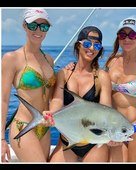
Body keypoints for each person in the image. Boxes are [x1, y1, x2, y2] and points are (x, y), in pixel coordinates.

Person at [45, 26, 112, 162]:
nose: (92, 48)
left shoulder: (102, 76)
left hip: (94, 144)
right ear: (78, 46)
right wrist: (51, 115)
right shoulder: (64, 73)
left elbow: (106, 111)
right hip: (66, 142)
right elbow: (57, 101)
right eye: (87, 44)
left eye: (97, 45)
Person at [1, 8, 55, 162]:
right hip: (23, 126)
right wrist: (1, 139)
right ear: (24, 26)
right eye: (33, 25)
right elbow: (3, 100)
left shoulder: (49, 60)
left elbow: (53, 96)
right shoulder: (11, 58)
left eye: (43, 26)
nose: (38, 30)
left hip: (44, 128)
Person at [105, 17, 136, 162]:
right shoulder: (111, 60)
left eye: (132, 35)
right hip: (114, 130)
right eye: (123, 35)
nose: (127, 39)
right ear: (118, 38)